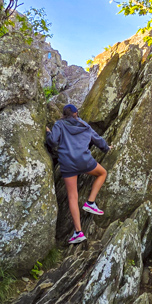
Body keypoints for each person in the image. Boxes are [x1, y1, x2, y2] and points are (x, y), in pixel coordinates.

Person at [46, 104, 111, 244]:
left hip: (67, 163)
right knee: (102, 173)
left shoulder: (59, 124)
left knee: (72, 197)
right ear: (76, 113)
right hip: (84, 161)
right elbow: (97, 139)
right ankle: (90, 202)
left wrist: (47, 133)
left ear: (64, 114)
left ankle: (78, 232)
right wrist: (106, 148)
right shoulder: (84, 125)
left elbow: (52, 141)